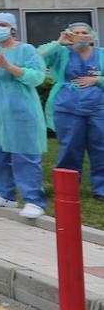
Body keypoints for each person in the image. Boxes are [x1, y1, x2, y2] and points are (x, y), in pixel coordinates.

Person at [0, 13, 48, 219]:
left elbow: (37, 77)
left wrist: (9, 67)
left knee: (25, 155)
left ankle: (33, 200)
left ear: (12, 28)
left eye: (2, 24)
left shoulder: (26, 50)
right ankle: (5, 195)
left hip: (21, 110)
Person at [39, 22, 104, 199]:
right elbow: (37, 57)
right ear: (69, 35)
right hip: (67, 107)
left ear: (92, 36)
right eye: (76, 33)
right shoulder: (61, 53)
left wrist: (98, 80)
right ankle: (67, 187)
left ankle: (101, 188)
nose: (81, 36)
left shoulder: (101, 55)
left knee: (101, 147)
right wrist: (58, 42)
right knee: (70, 147)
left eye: (85, 32)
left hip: (98, 109)